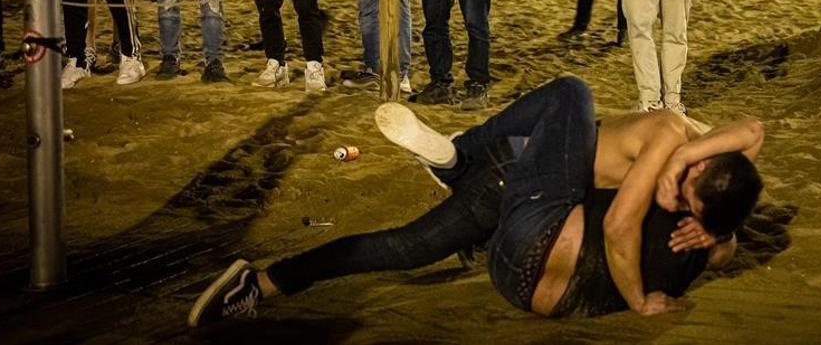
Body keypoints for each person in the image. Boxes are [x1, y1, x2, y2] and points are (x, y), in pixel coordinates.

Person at [187, 75, 764, 326]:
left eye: (686, 204)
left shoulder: (704, 169)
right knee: (573, 93)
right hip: (533, 178)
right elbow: (751, 133)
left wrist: (712, 228)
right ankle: (458, 158)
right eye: (686, 187)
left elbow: (748, 139)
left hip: (525, 178)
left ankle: (261, 283)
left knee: (408, 248)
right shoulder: (672, 134)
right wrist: (640, 301)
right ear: (706, 159)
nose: (676, 197)